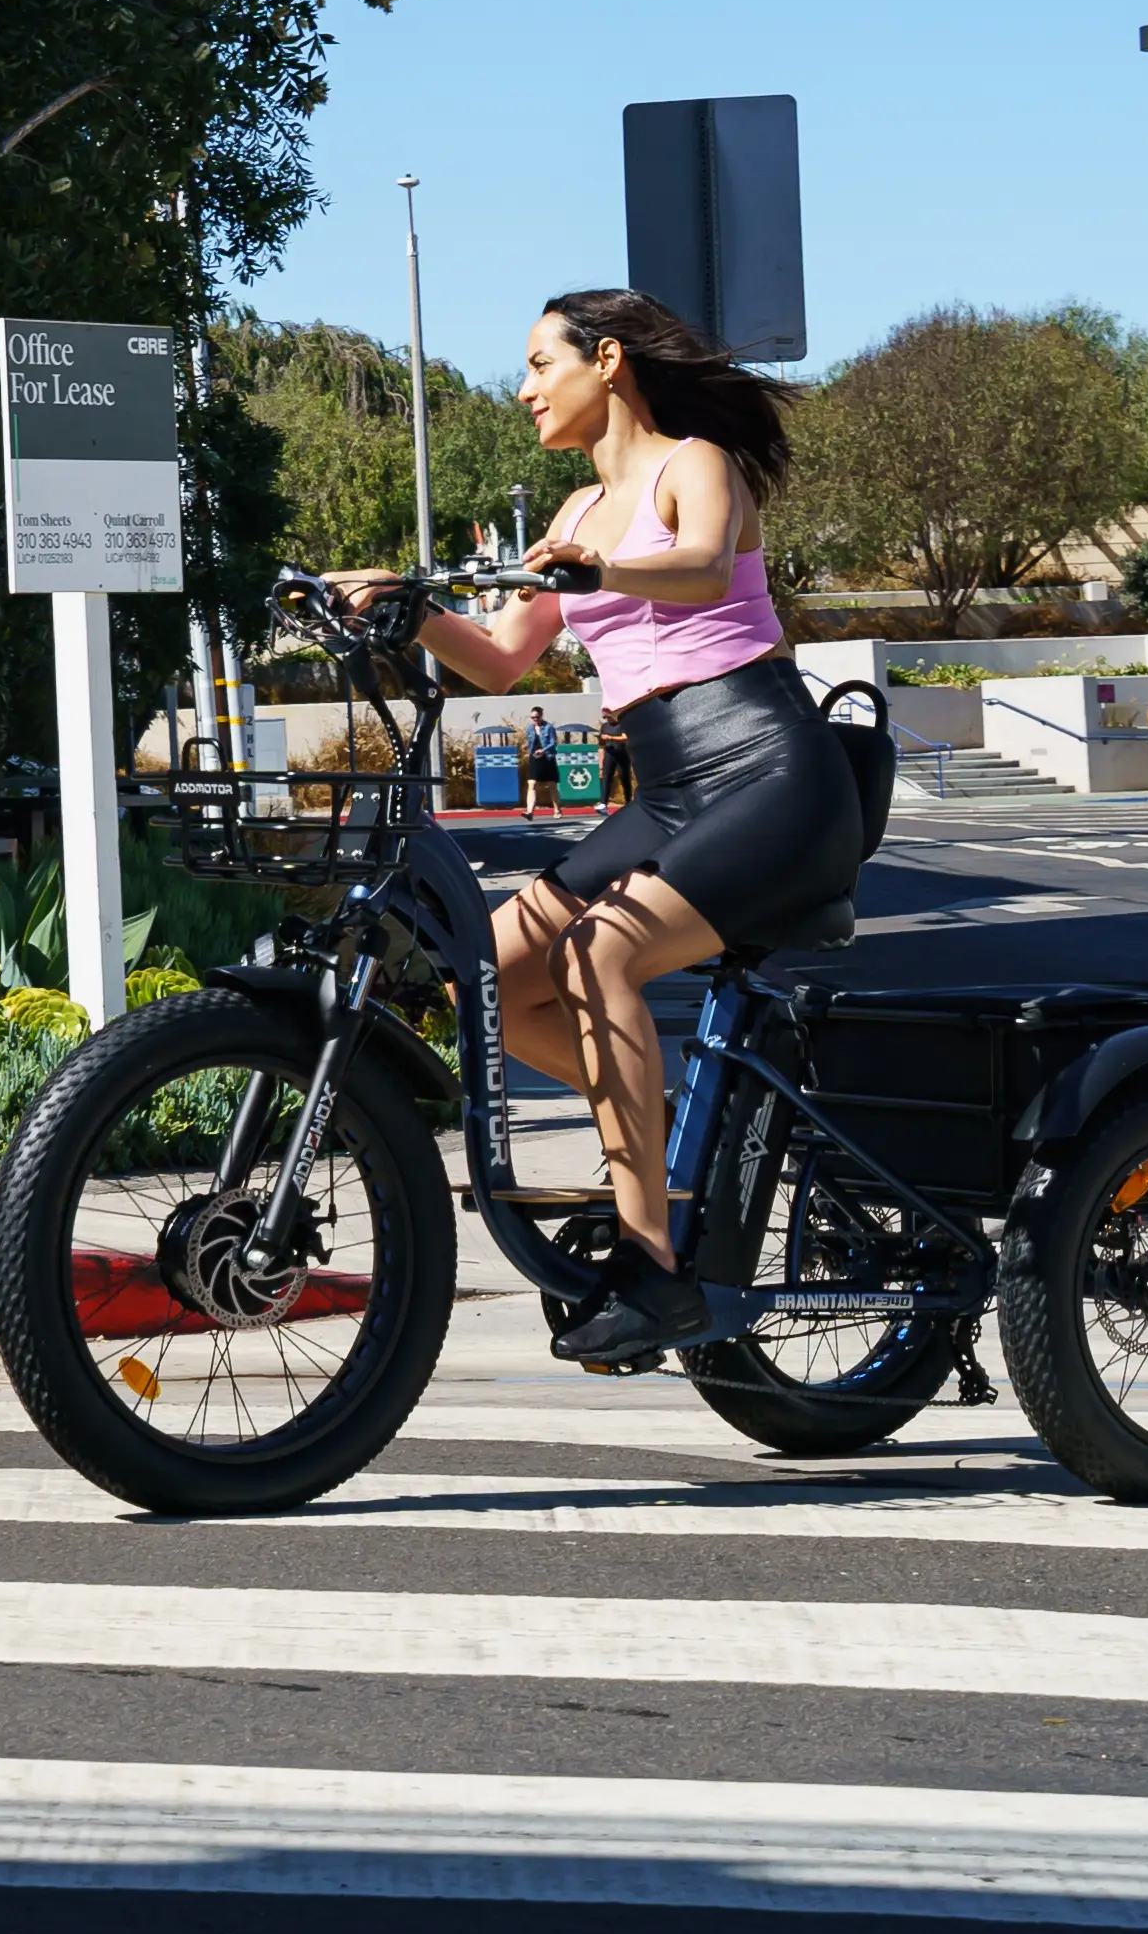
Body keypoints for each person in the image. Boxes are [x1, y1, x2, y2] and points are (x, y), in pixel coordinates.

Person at [357, 287, 864, 1366]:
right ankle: (672, 1125)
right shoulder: (572, 518)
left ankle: (653, 1267)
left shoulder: (696, 464)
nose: (527, 388)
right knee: (481, 971)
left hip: (774, 770)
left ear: (610, 360)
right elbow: (499, 658)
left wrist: (608, 570)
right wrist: (403, 603)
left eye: (544, 362)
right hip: (671, 785)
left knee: (601, 953)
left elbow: (697, 566)